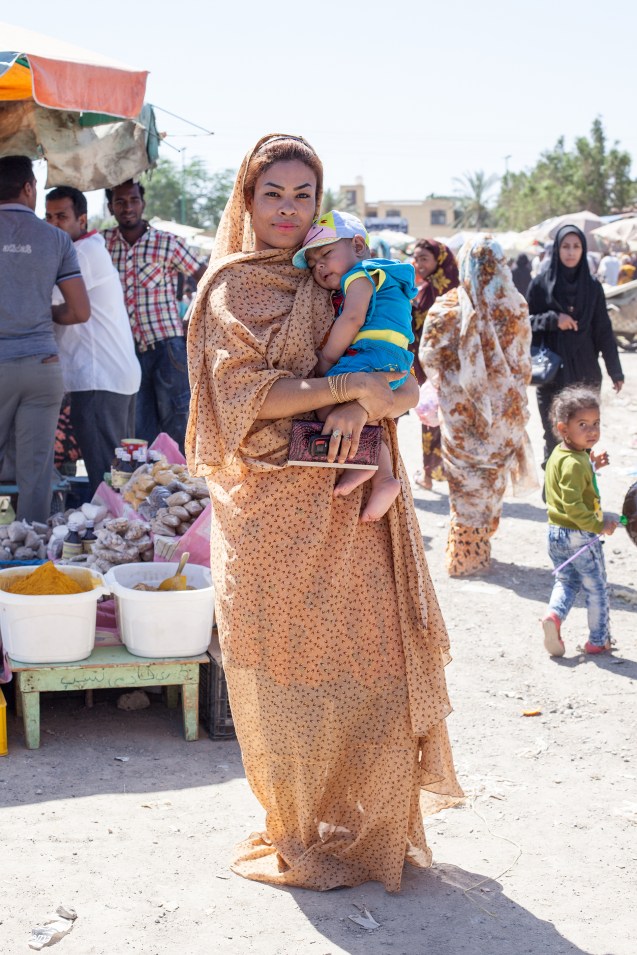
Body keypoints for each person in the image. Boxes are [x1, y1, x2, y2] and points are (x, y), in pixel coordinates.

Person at [186, 134, 461, 892]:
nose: (287, 209)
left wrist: (372, 400)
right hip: (270, 512)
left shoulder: (340, 273)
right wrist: (345, 390)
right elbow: (242, 397)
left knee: (372, 662)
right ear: (246, 200)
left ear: (319, 203)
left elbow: (401, 381)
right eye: (272, 194)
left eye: (302, 195)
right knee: (286, 673)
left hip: (354, 510)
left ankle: (368, 827)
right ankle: (301, 826)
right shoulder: (232, 290)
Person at [420, 235, 536, 577]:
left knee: (465, 484)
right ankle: (479, 548)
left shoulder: (447, 307)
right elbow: (523, 363)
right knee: (491, 482)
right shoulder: (514, 306)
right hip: (504, 416)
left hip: (462, 417)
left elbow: (430, 356)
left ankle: (464, 555)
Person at [293, 209, 416, 521]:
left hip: (370, 354)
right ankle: (384, 477)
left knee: (325, 401)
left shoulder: (360, 275)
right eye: (313, 264)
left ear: (358, 246)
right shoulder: (389, 274)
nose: (320, 266)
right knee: (365, 412)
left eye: (326, 254)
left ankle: (365, 462)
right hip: (395, 357)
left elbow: (352, 318)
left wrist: (326, 358)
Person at [0, 156, 89, 523]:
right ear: (28, 187)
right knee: (36, 476)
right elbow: (79, 311)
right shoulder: (56, 239)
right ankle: (31, 546)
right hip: (43, 365)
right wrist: (37, 310)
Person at [45, 186, 141, 494]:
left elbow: (43, 303)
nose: (53, 224)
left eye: (61, 216)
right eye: (48, 217)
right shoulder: (86, 249)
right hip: (111, 378)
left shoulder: (81, 253)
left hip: (99, 380)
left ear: (82, 220)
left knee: (108, 480)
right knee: (119, 477)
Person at [103, 180, 207, 451]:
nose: (127, 207)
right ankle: (147, 479)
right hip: (125, 353)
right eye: (120, 202)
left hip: (167, 350)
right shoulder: (103, 244)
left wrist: (192, 317)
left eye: (133, 200)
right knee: (139, 431)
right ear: (110, 207)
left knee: (179, 425)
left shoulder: (166, 243)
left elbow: (207, 279)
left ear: (143, 204)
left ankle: (185, 478)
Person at [527, 224, 624, 465]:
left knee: (583, 439)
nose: (571, 252)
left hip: (585, 373)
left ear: (583, 250)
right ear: (557, 249)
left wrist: (615, 371)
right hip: (552, 374)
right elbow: (524, 323)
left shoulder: (592, 287)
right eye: (565, 246)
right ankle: (554, 485)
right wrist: (553, 320)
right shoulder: (540, 285)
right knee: (554, 436)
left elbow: (603, 331)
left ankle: (580, 484)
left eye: (576, 246)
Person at [542, 386, 618, 657]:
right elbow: (573, 505)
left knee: (566, 581)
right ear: (564, 428)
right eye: (583, 425)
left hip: (555, 534)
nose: (592, 431)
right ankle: (598, 640)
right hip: (580, 536)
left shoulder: (561, 454)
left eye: (596, 423)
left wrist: (592, 465)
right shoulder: (575, 463)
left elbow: (570, 482)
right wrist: (599, 525)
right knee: (596, 588)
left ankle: (554, 616)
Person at [409, 240, 459, 489]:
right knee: (436, 415)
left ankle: (433, 473)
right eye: (416, 258)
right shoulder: (433, 287)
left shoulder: (445, 290)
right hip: (435, 364)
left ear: (439, 260)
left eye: (424, 259)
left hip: (440, 364)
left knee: (436, 417)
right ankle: (437, 472)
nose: (419, 264)